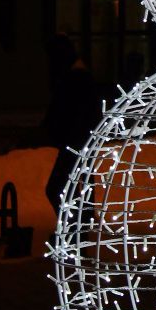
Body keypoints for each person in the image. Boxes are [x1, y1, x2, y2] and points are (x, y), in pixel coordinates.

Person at [43, 34, 101, 216]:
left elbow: (68, 112)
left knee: (58, 188)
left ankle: (72, 228)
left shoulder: (75, 79)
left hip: (75, 143)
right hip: (81, 142)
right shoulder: (79, 77)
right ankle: (76, 227)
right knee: (74, 188)